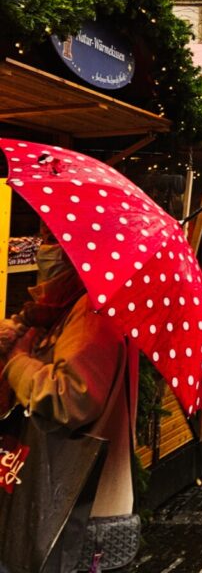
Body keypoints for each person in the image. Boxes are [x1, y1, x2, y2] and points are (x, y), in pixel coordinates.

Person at [0, 234, 139, 569]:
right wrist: (23, 331)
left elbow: (70, 399)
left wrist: (17, 360)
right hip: (55, 498)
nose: (45, 250)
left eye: (54, 241)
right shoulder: (63, 309)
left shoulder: (93, 311)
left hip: (79, 508)